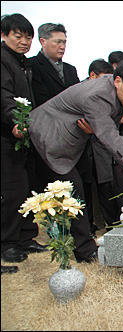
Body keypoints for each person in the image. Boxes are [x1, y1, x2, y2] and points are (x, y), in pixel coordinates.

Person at [28, 61, 123, 263]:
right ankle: (84, 250)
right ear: (118, 81)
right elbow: (108, 134)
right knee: (71, 191)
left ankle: (81, 240)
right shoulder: (98, 95)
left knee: (80, 189)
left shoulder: (112, 88)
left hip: (76, 142)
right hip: (50, 138)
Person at [1, 13, 46, 274]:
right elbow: (4, 96)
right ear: (5, 35)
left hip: (25, 134)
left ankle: (26, 236)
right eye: (18, 36)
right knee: (12, 191)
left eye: (28, 37)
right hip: (8, 134)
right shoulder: (3, 60)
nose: (24, 41)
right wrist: (13, 121)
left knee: (29, 187)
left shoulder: (23, 63)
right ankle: (8, 242)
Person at [79, 59, 119, 236]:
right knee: (84, 191)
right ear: (92, 75)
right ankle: (87, 228)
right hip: (81, 150)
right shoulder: (78, 92)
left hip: (101, 148)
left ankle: (113, 226)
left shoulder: (109, 94)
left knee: (106, 188)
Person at [29, 23, 80, 108]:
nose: (62, 47)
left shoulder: (70, 69)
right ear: (43, 42)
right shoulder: (32, 65)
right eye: (58, 42)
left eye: (64, 42)